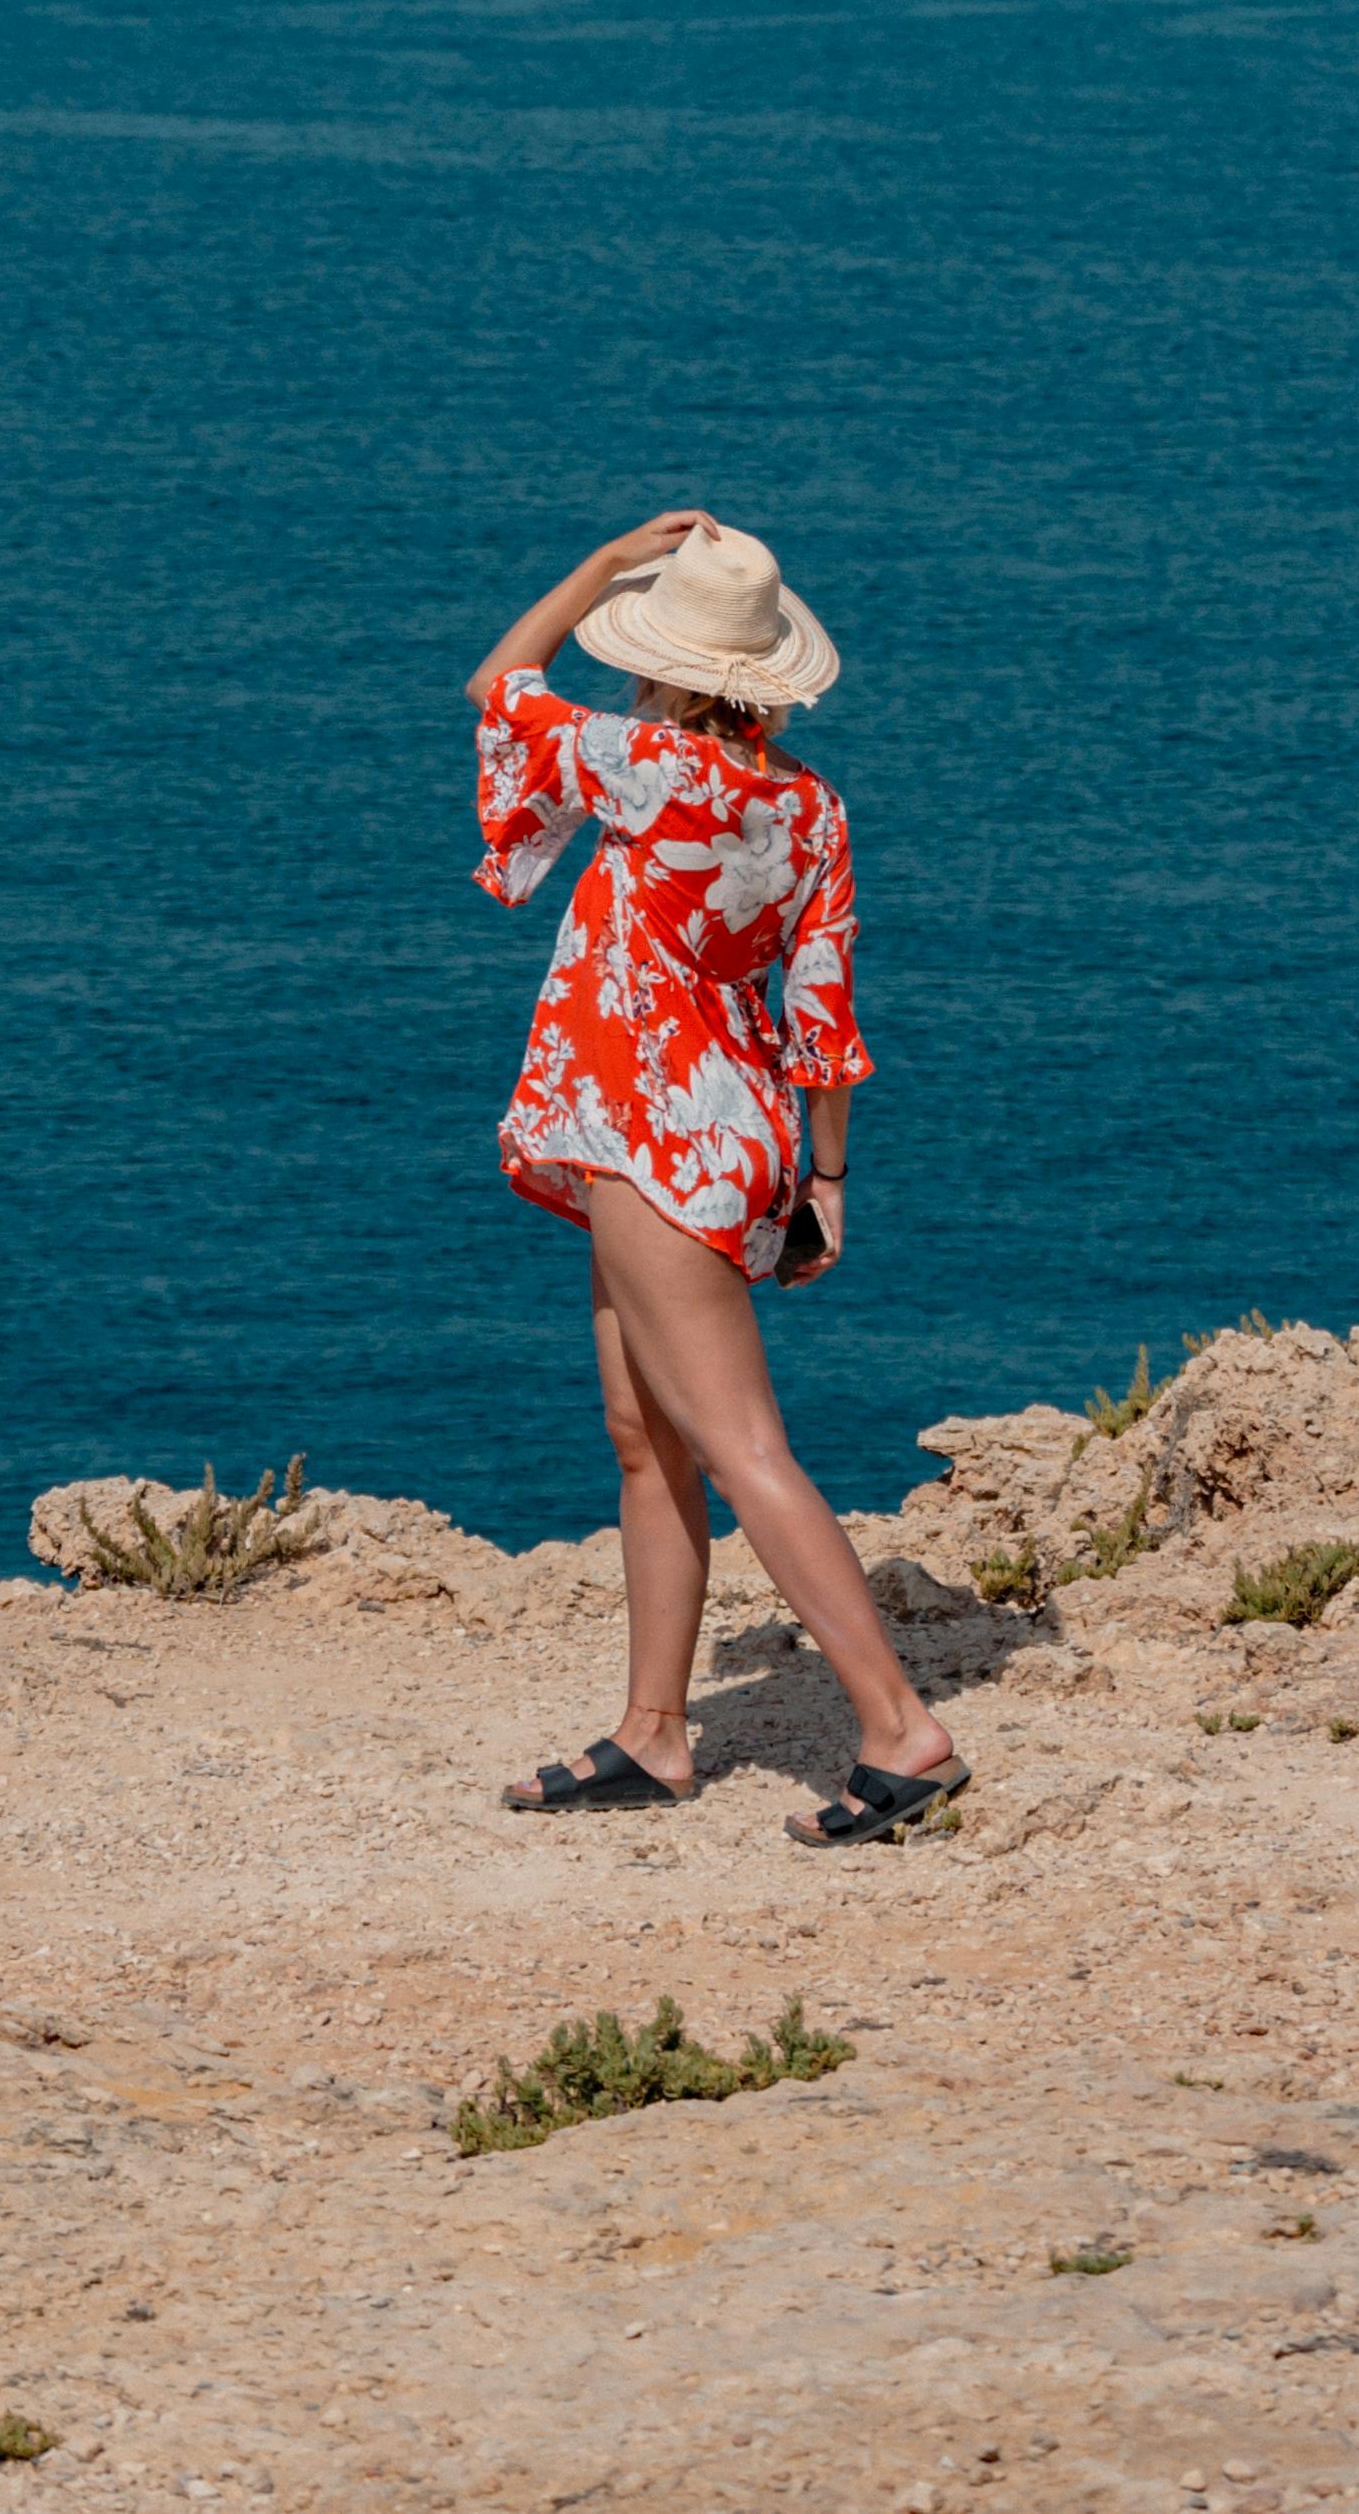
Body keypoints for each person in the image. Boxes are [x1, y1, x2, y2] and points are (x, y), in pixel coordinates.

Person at [468, 511, 966, 1846]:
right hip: (731, 1123)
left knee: (743, 1447)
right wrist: (830, 1180)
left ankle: (898, 1730)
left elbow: (496, 690)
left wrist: (593, 567)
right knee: (649, 1436)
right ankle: (656, 1732)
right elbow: (825, 1006)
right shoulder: (809, 805)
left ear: (668, 666)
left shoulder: (639, 764)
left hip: (646, 1129)